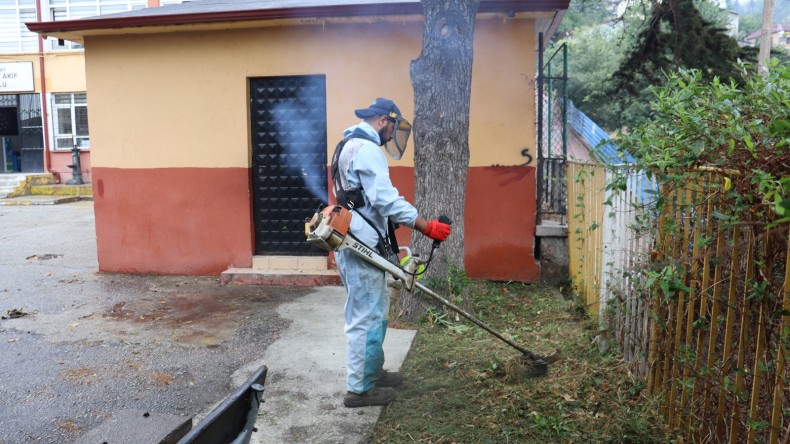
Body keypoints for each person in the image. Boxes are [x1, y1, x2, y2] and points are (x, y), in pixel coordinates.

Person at [332, 98, 452, 408]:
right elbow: (385, 201)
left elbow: (363, 204)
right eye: (392, 128)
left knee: (374, 310)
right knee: (366, 316)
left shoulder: (347, 145)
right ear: (384, 120)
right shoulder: (368, 150)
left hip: (355, 241)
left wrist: (390, 247)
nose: (392, 136)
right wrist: (426, 226)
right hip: (361, 246)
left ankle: (371, 373)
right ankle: (359, 390)